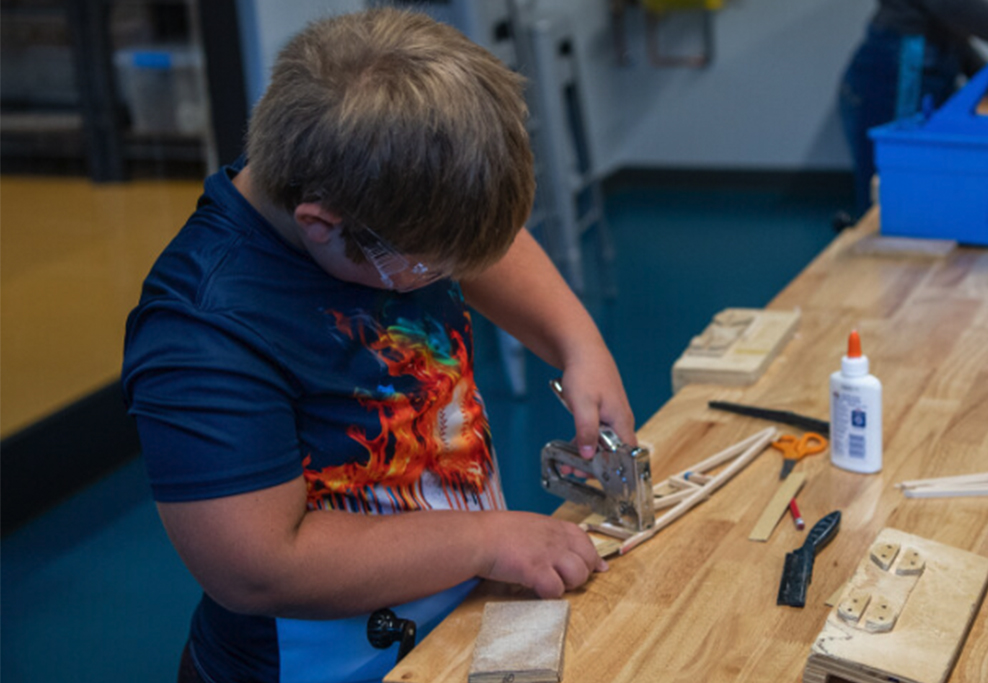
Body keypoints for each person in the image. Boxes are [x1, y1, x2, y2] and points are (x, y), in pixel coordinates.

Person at [121, 9, 635, 683]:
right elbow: (262, 568)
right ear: (320, 225)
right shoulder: (203, 325)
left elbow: (471, 240)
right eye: (431, 266)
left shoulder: (360, 184)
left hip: (451, 615)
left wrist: (578, 341)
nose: (451, 275)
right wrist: (484, 538)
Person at [839, 0, 988, 217]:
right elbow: (953, 7)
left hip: (923, 65)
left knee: (926, 199)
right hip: (898, 77)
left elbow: (946, 22)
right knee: (892, 206)